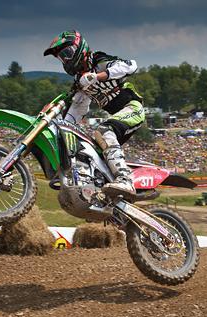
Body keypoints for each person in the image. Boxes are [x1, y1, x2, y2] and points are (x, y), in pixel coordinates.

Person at [43, 30, 144, 196]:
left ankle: (125, 179)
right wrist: (60, 127)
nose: (65, 59)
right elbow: (77, 110)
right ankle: (100, 187)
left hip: (132, 108)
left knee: (104, 131)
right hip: (117, 118)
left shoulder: (99, 60)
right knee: (88, 149)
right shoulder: (80, 82)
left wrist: (97, 76)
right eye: (61, 57)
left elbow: (130, 65)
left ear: (79, 47)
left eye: (67, 53)